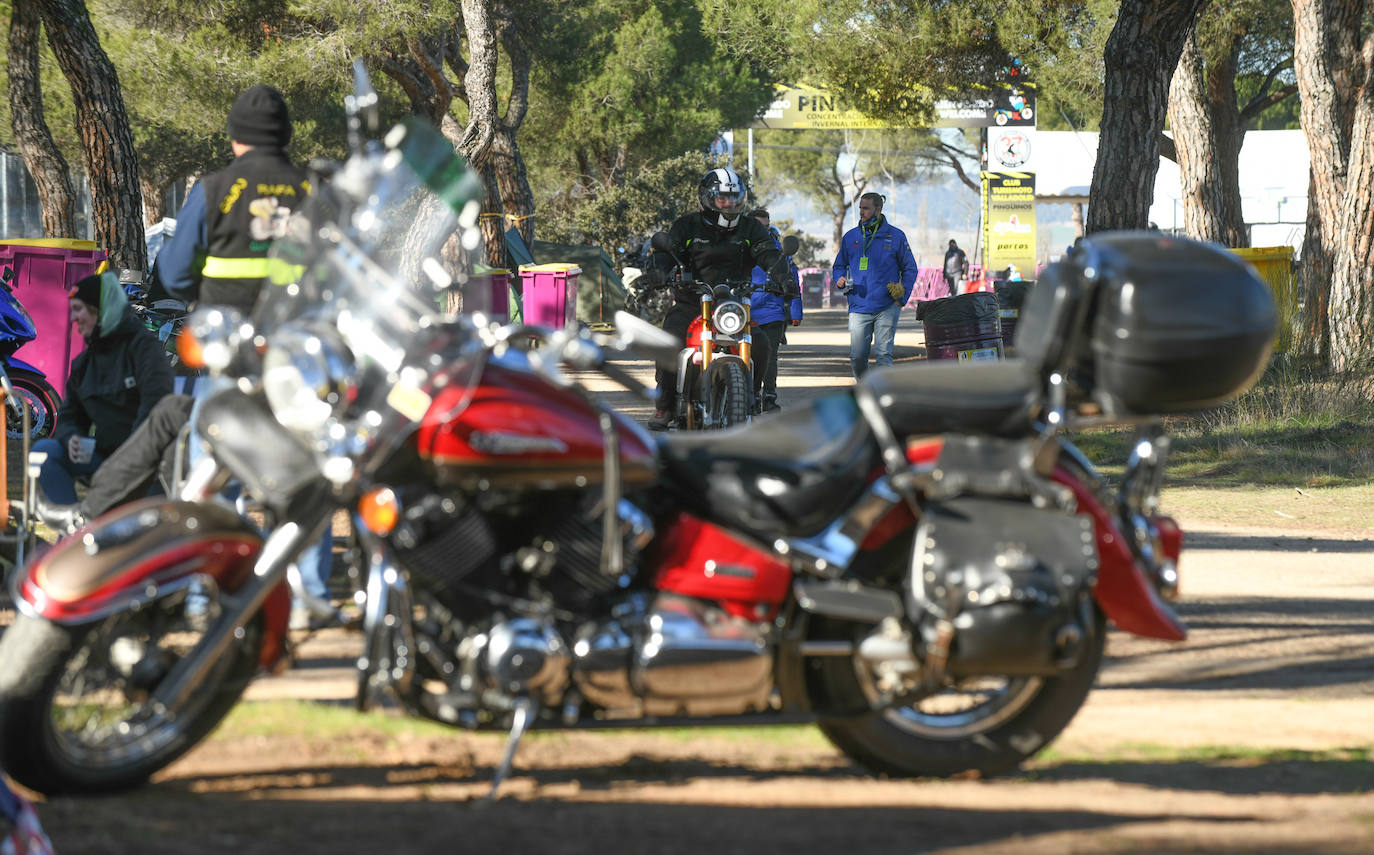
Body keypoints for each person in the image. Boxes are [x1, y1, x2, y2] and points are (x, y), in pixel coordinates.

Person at [155, 83, 333, 630]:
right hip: (297, 362)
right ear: (284, 136)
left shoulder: (214, 190)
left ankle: (208, 591)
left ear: (235, 138)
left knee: (216, 470)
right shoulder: (312, 190)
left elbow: (176, 273)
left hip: (226, 358)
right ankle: (309, 595)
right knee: (306, 470)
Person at [645, 167, 786, 430]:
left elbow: (767, 251)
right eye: (723, 197)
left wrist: (780, 272)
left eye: (734, 198)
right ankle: (663, 406)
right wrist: (658, 271)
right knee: (670, 342)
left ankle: (752, 398)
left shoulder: (750, 227)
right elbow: (667, 252)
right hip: (692, 302)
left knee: (761, 343)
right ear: (708, 198)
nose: (729, 203)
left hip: (733, 304)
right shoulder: (687, 226)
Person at [32, 272, 173, 506]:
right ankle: (71, 528)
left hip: (150, 467)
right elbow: (68, 416)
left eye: (78, 309)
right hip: (107, 458)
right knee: (45, 451)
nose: (73, 319)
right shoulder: (85, 363)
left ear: (98, 309)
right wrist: (72, 438)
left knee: (132, 534)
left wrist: (127, 460)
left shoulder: (144, 349)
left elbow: (156, 411)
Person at [832, 193, 918, 379]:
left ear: (878, 210)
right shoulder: (851, 237)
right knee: (857, 357)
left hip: (887, 306)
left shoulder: (895, 236)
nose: (861, 212)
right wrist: (839, 279)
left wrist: (901, 299)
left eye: (866, 208)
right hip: (859, 306)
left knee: (883, 355)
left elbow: (910, 269)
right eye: (860, 208)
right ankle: (865, 392)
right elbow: (839, 266)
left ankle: (883, 397)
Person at [748, 209, 802, 414]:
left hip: (772, 310)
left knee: (769, 356)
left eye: (765, 226)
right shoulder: (737, 246)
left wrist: (795, 311)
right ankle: (745, 395)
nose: (762, 230)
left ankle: (769, 397)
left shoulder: (779, 250)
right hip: (741, 310)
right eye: (757, 226)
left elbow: (793, 279)